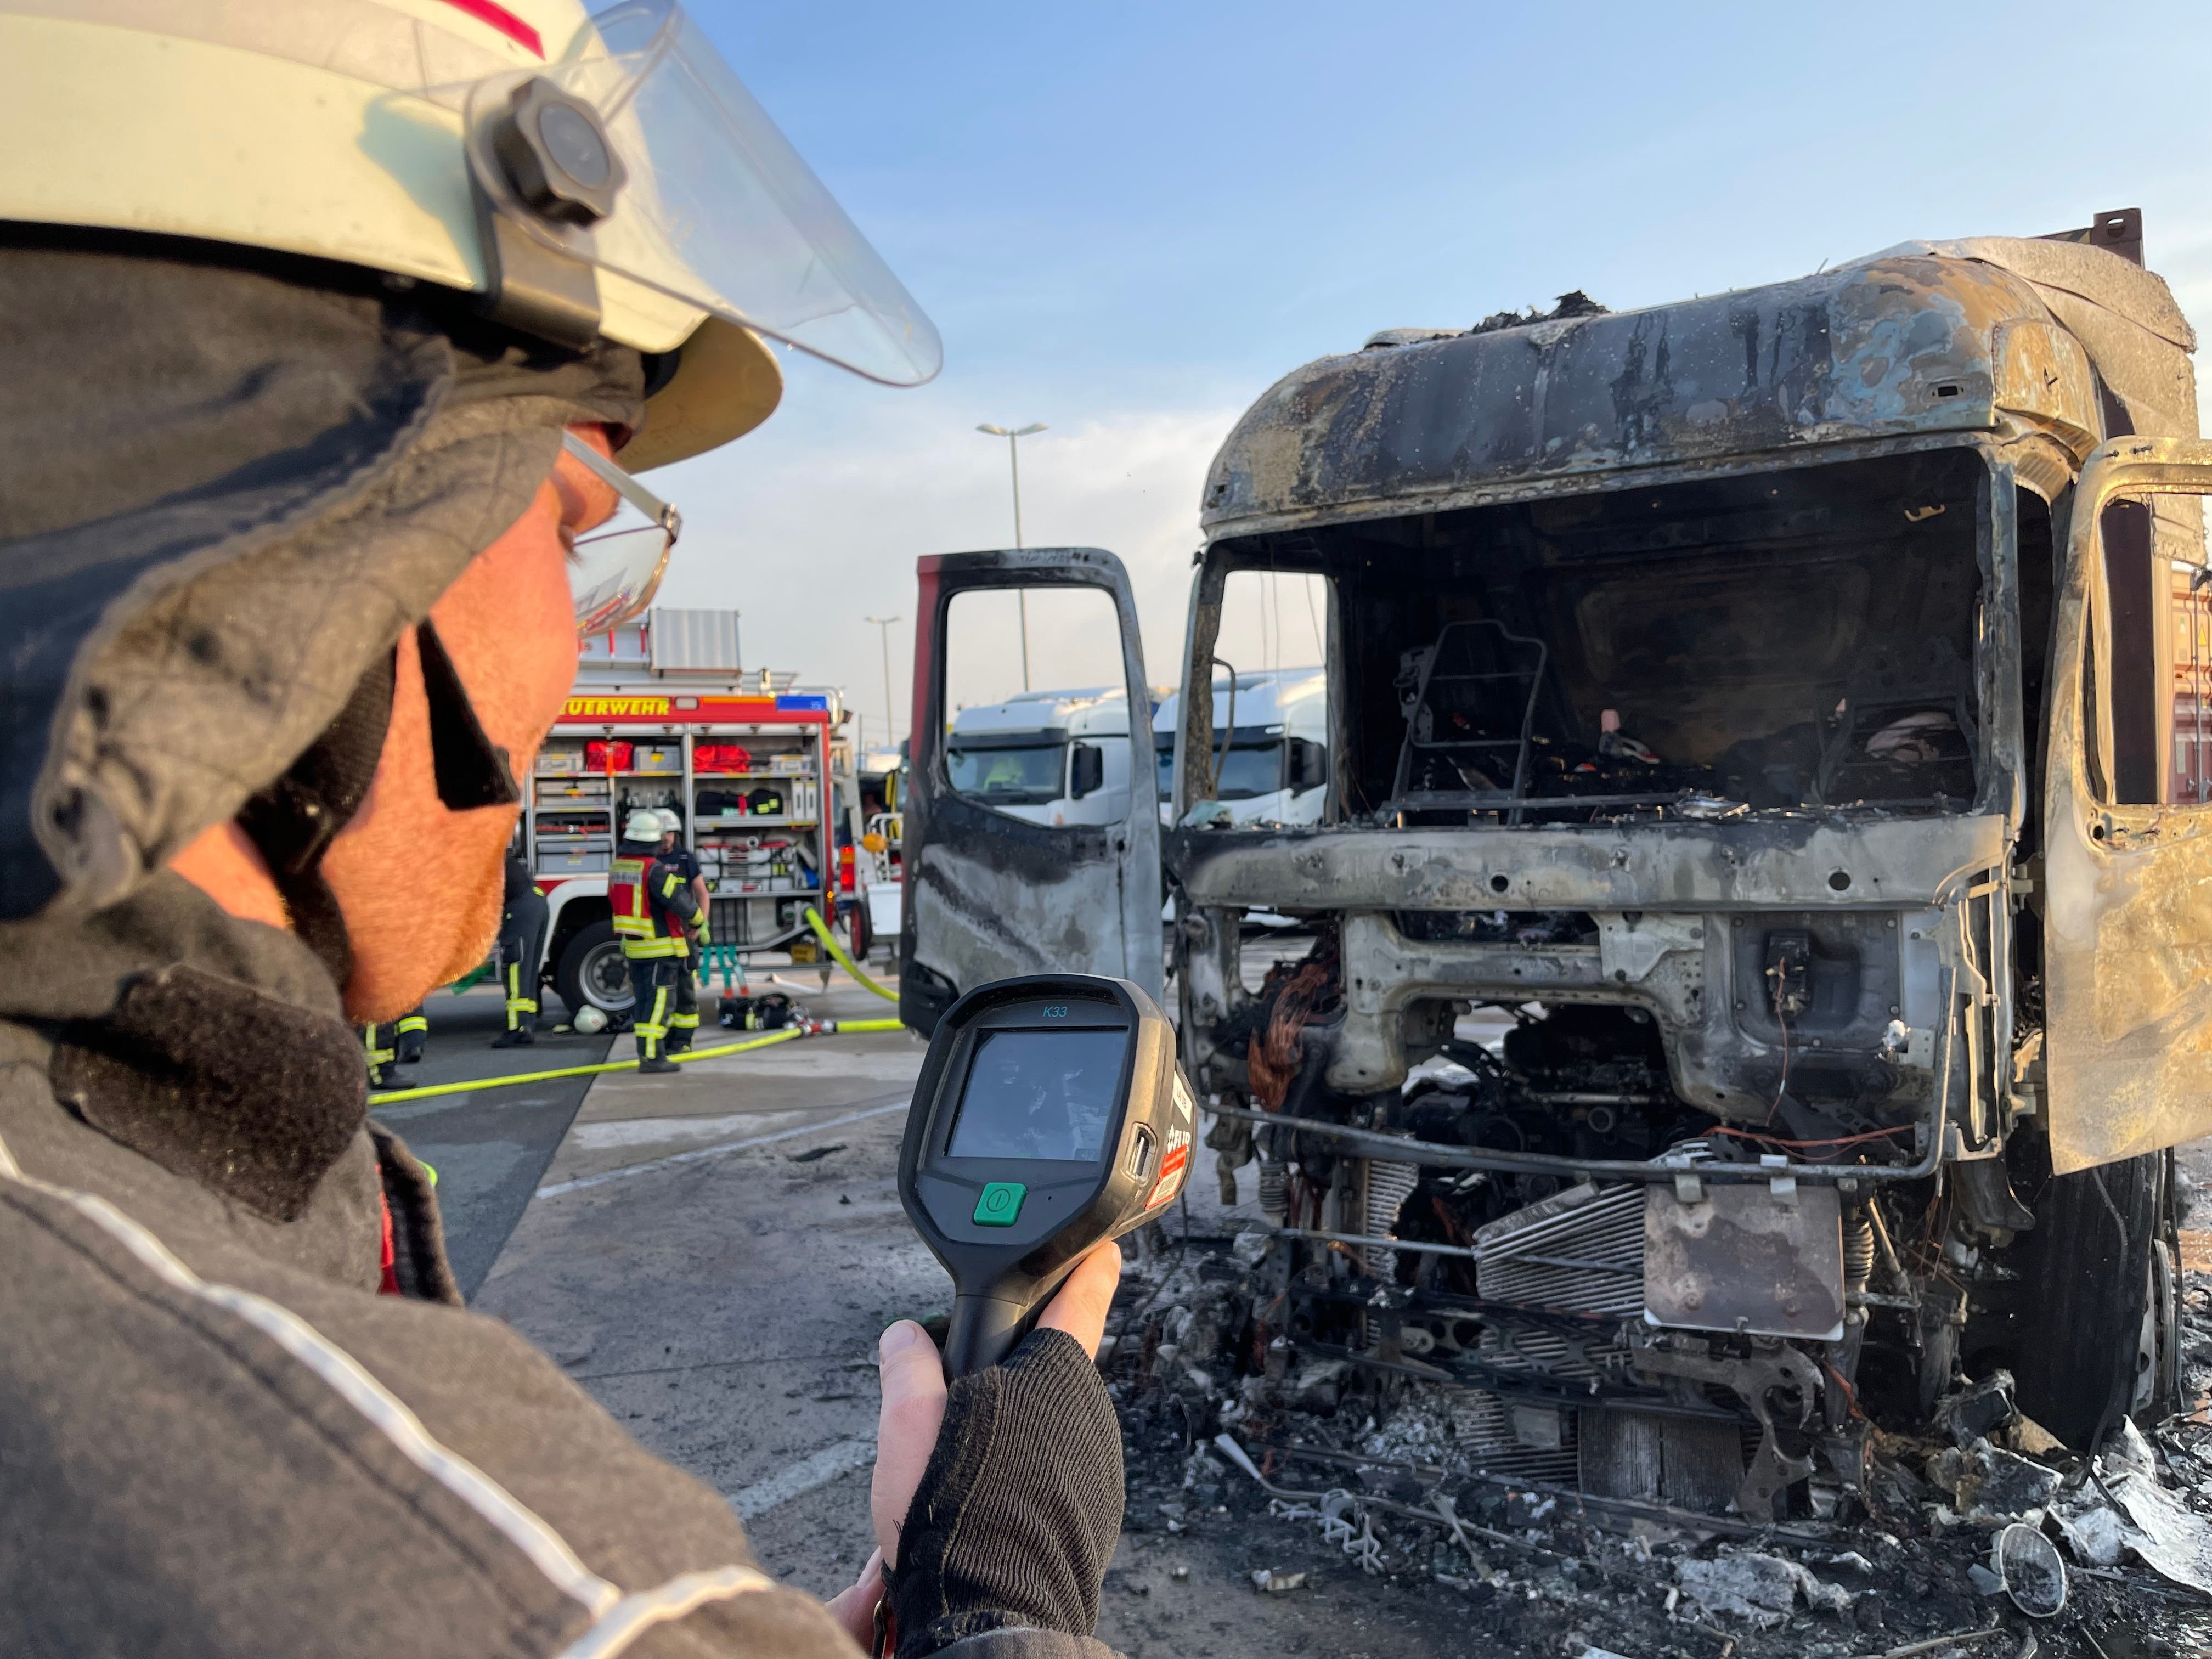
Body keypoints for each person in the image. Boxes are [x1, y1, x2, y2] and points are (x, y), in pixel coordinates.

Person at [0, 4, 1127, 1655]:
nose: (579, 649)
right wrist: (1003, 1587)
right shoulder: (473, 1574)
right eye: (565, 522)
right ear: (292, 507)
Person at [612, 808, 705, 1073]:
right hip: (660, 950)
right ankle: (653, 1058)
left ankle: (647, 1052)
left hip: (635, 949)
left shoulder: (619, 866)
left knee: (643, 1003)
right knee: (660, 1003)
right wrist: (699, 921)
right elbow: (680, 901)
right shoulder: (653, 870)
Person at [493, 848, 551, 1048]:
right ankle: (527, 1025)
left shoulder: (476, 857)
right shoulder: (491, 851)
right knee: (527, 971)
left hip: (520, 907)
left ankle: (516, 1029)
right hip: (535, 901)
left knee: (515, 970)